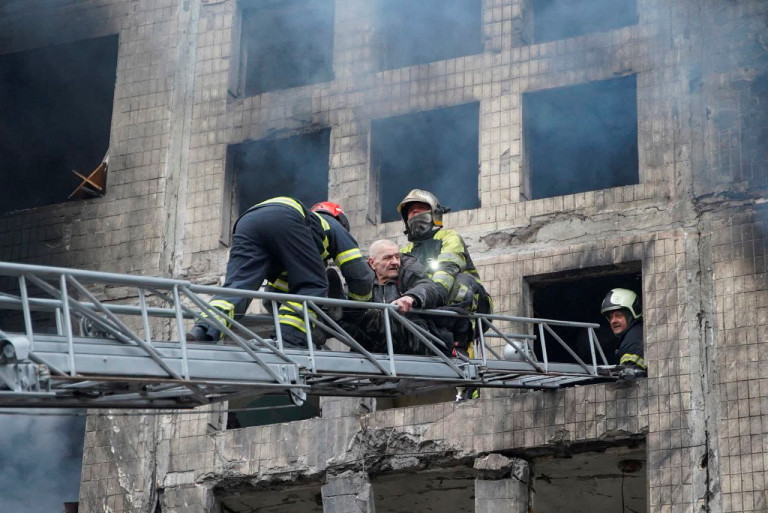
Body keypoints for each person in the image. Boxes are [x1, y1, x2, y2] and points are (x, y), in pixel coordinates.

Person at [186, 197, 372, 348]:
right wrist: (356, 309)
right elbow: (360, 275)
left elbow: (271, 299)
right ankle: (289, 342)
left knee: (236, 288)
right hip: (285, 216)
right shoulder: (333, 224)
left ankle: (203, 330)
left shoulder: (290, 256)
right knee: (313, 285)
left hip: (247, 222)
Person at [396, 189, 492, 355]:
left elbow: (448, 269)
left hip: (462, 307)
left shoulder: (449, 237)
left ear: (435, 213)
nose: (414, 213)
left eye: (420, 209)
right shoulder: (405, 250)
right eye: (410, 212)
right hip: (425, 309)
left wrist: (431, 293)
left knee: (461, 282)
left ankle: (459, 342)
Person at [341, 239, 449, 355]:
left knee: (384, 316)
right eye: (388, 258)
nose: (395, 262)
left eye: (397, 257)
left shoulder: (409, 268)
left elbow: (428, 286)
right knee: (351, 317)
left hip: (410, 343)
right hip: (373, 345)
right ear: (372, 263)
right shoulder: (362, 278)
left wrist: (411, 297)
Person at [600, 288, 646, 378]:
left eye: (618, 315)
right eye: (611, 317)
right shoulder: (636, 333)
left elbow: (629, 381)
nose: (613, 321)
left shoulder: (632, 340)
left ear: (632, 314)